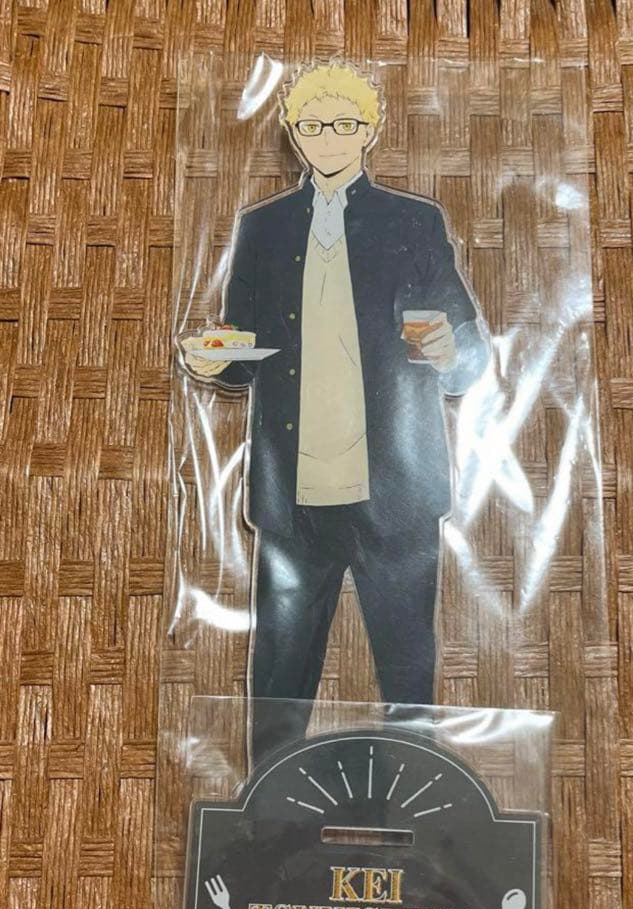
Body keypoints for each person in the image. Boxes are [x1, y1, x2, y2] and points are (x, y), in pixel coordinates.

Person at [185, 62, 490, 762]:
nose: (329, 137)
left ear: (370, 130)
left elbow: (468, 355)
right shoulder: (261, 228)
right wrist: (214, 360)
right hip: (292, 496)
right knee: (279, 679)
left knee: (409, 677)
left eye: (345, 123)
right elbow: (246, 352)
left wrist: (450, 350)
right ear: (292, 132)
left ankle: (415, 797)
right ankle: (264, 802)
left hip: (399, 491)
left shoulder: (414, 221)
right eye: (313, 124)